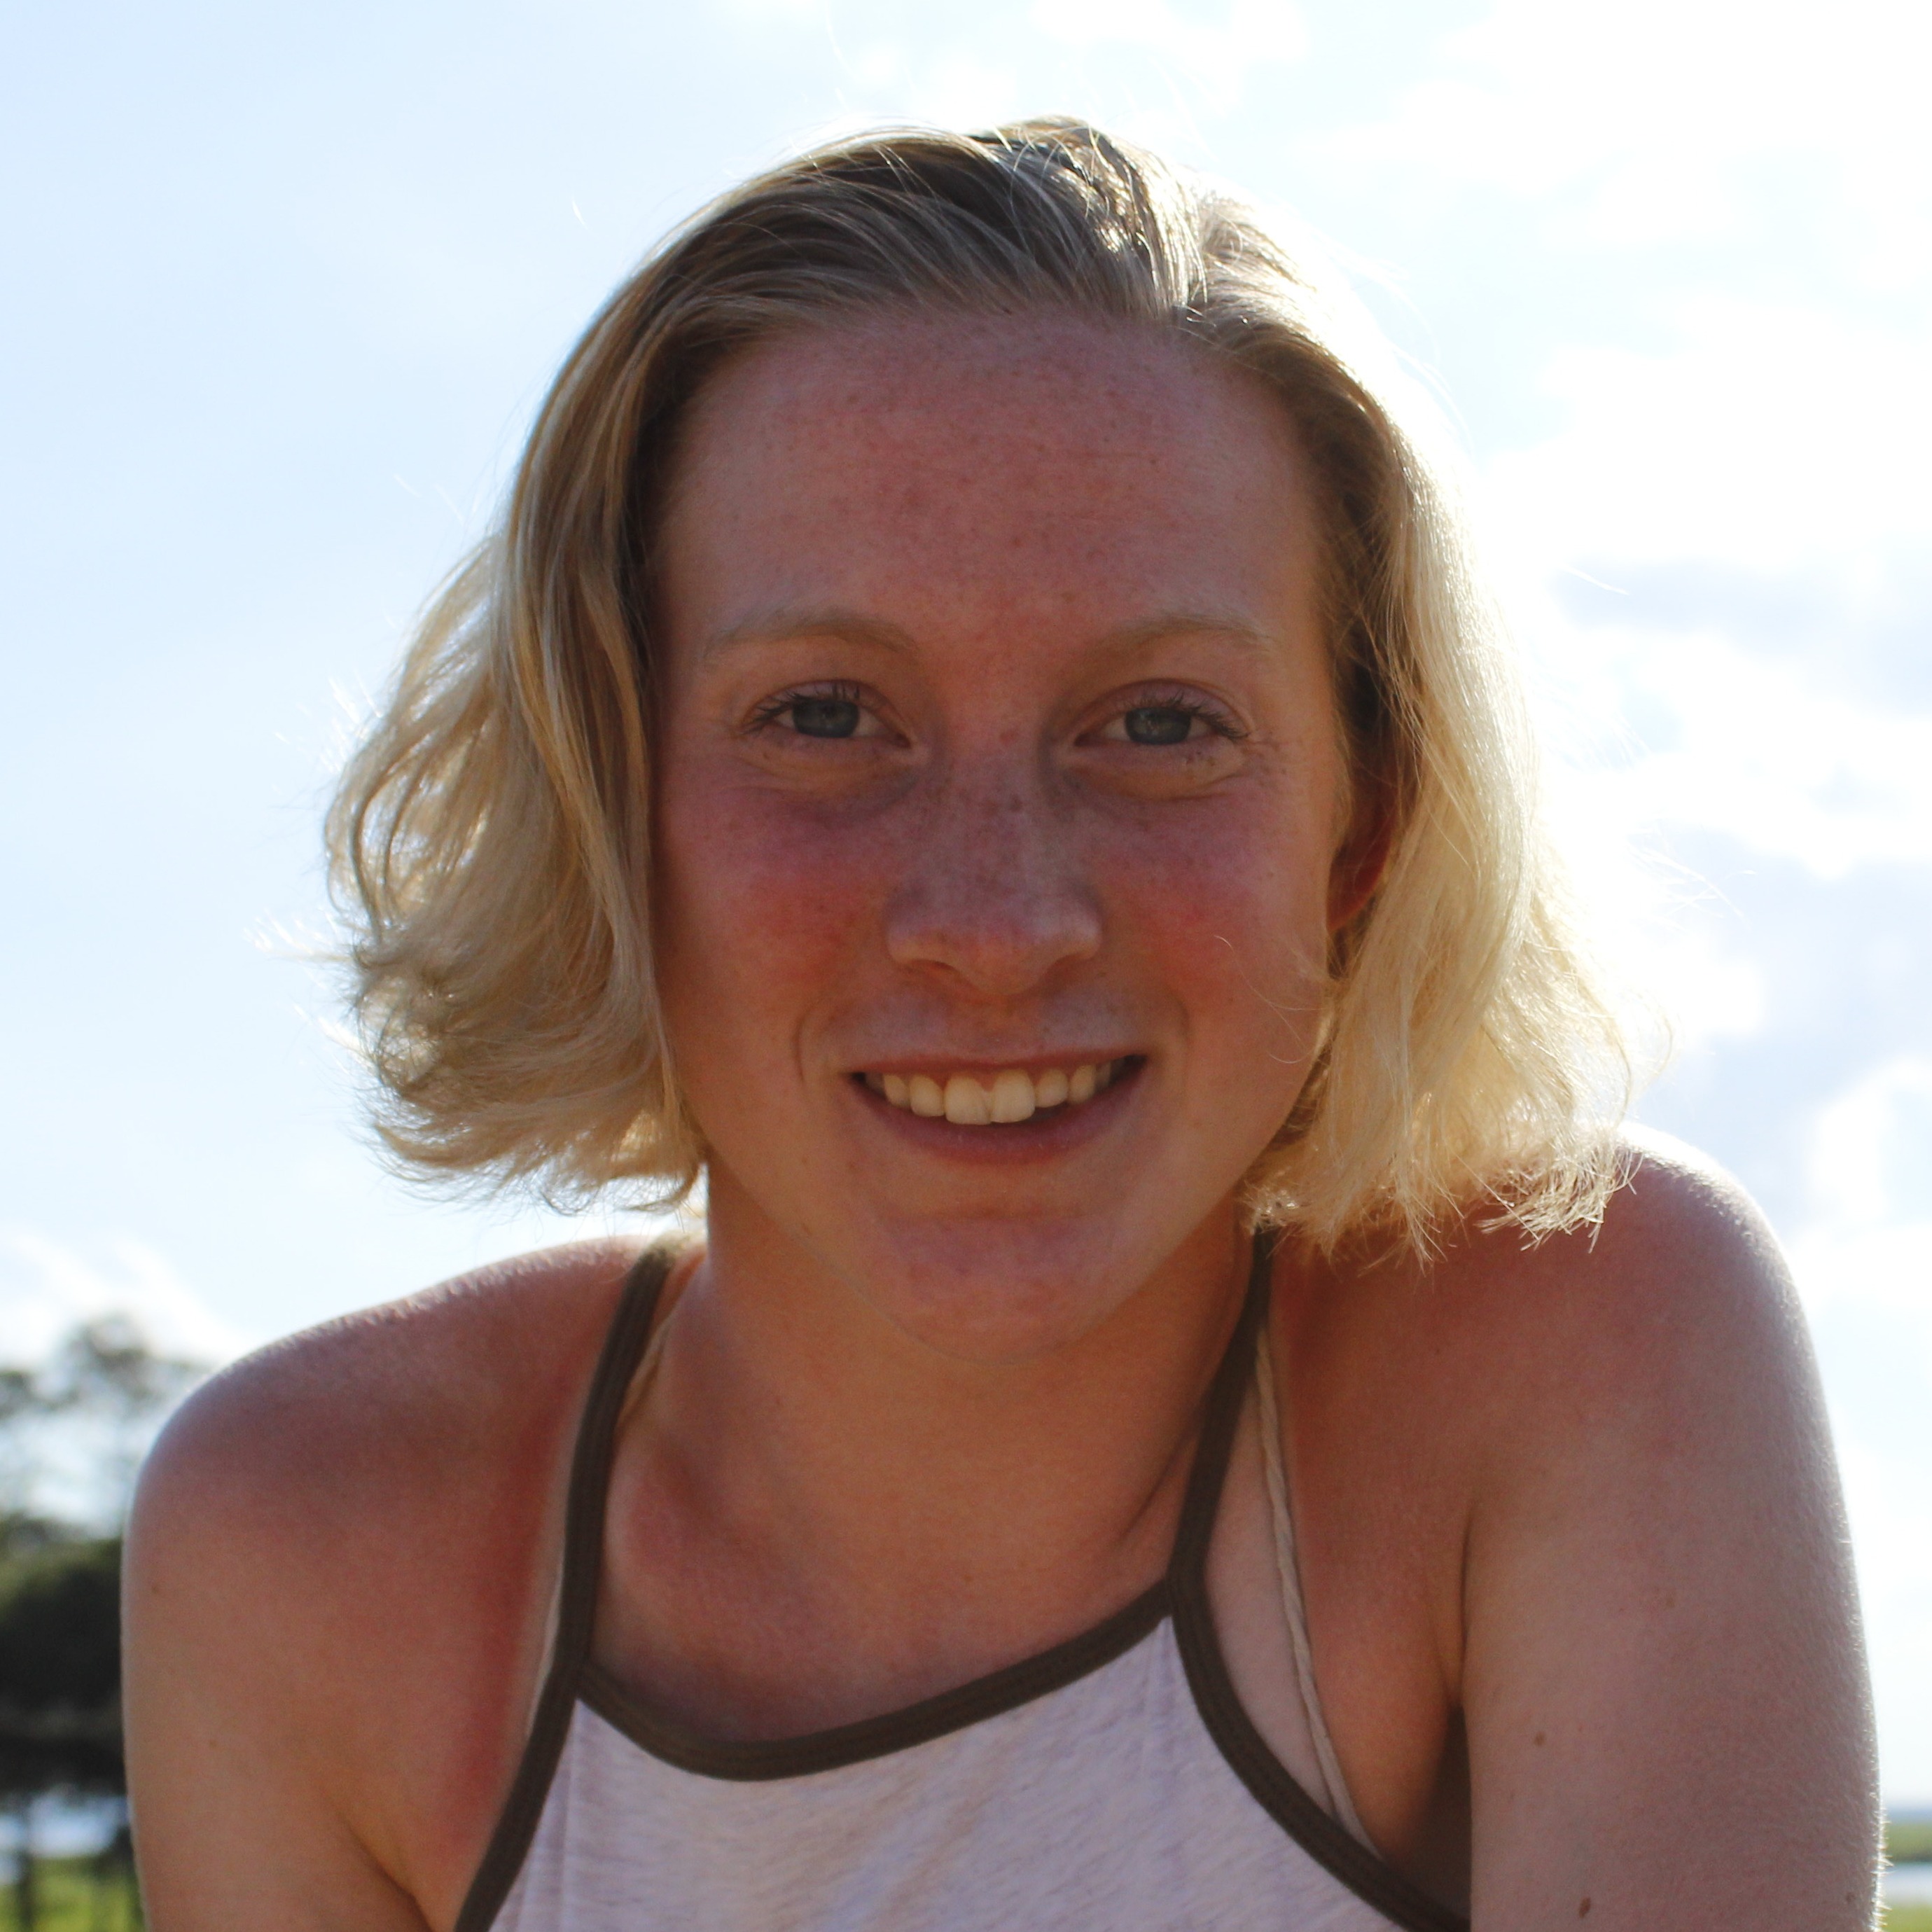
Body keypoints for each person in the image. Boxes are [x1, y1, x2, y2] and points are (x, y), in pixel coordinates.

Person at [122, 121, 1879, 1930]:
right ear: (607, 808)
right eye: (823, 717)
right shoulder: (306, 1541)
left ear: (1362, 826)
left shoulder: (1580, 1327)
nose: (997, 923)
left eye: (1163, 724)